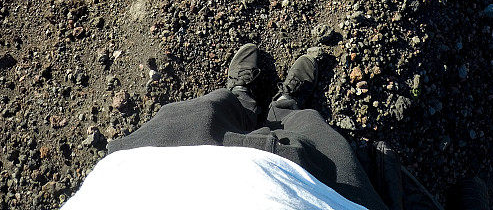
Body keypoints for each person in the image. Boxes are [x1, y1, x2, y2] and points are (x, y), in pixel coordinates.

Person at [63, 43, 390, 209]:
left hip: (143, 183)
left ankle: (243, 102)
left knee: (203, 113)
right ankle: (286, 105)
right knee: (313, 138)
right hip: (308, 197)